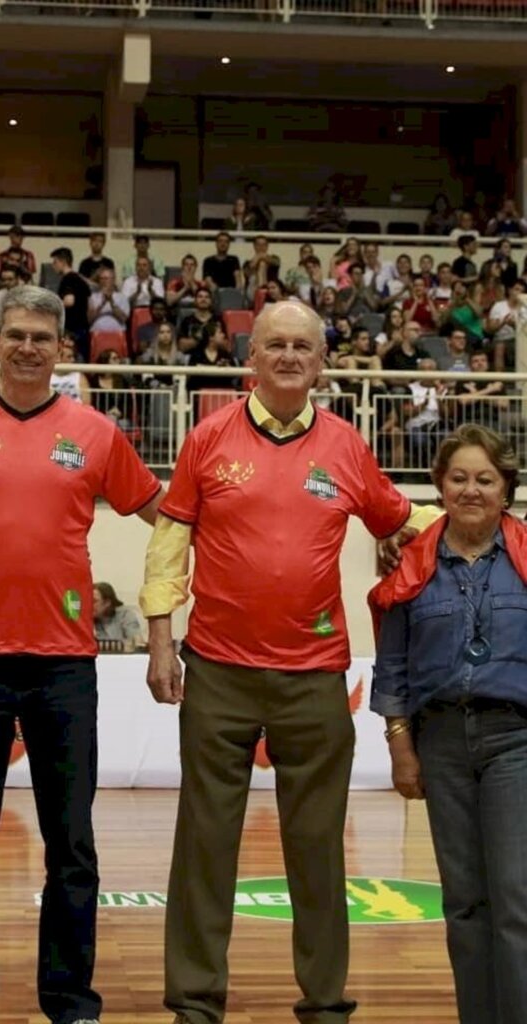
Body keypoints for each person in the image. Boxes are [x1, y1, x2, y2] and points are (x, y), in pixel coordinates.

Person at [141, 300, 439, 1024]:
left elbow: (401, 522)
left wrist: (487, 522)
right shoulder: (208, 438)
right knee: (204, 844)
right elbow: (170, 542)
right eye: (274, 344)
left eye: (302, 346)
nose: (288, 356)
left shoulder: (346, 445)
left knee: (317, 848)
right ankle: (194, 999)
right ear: (253, 357)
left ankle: (326, 998)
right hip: (217, 670)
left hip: (315, 678)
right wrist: (158, 635)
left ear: (321, 361)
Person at [0, 284, 163, 1024]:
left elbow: (163, 513)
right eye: (15, 335)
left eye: (41, 338)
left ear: (62, 349)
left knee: (72, 846)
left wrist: (232, 531)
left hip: (63, 664)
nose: (28, 347)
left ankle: (70, 998)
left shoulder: (95, 432)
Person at [369, 424, 527, 1024]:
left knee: (514, 899)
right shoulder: (410, 567)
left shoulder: (526, 557)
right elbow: (393, 666)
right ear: (439, 486)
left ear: (505, 488)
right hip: (440, 745)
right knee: (463, 902)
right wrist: (400, 747)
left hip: (516, 740)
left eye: (485, 479)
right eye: (458, 478)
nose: (471, 489)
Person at [93, 581, 143, 652]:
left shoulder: (125, 615)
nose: (89, 605)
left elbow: (137, 643)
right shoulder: (87, 620)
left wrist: (100, 646)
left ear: (107, 602)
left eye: (94, 601)